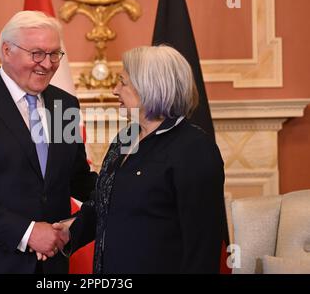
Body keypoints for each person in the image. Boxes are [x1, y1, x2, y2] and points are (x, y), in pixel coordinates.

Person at [0, 11, 97, 274]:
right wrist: (28, 232)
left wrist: (122, 189)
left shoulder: (64, 105)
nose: (47, 64)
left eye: (54, 54)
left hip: (50, 266)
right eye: (37, 53)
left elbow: (76, 178)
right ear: (6, 50)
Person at [60, 45, 227, 273]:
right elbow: (104, 204)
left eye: (123, 82)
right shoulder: (125, 138)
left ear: (150, 86)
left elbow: (202, 243)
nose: (115, 89)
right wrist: (66, 233)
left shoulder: (194, 148)